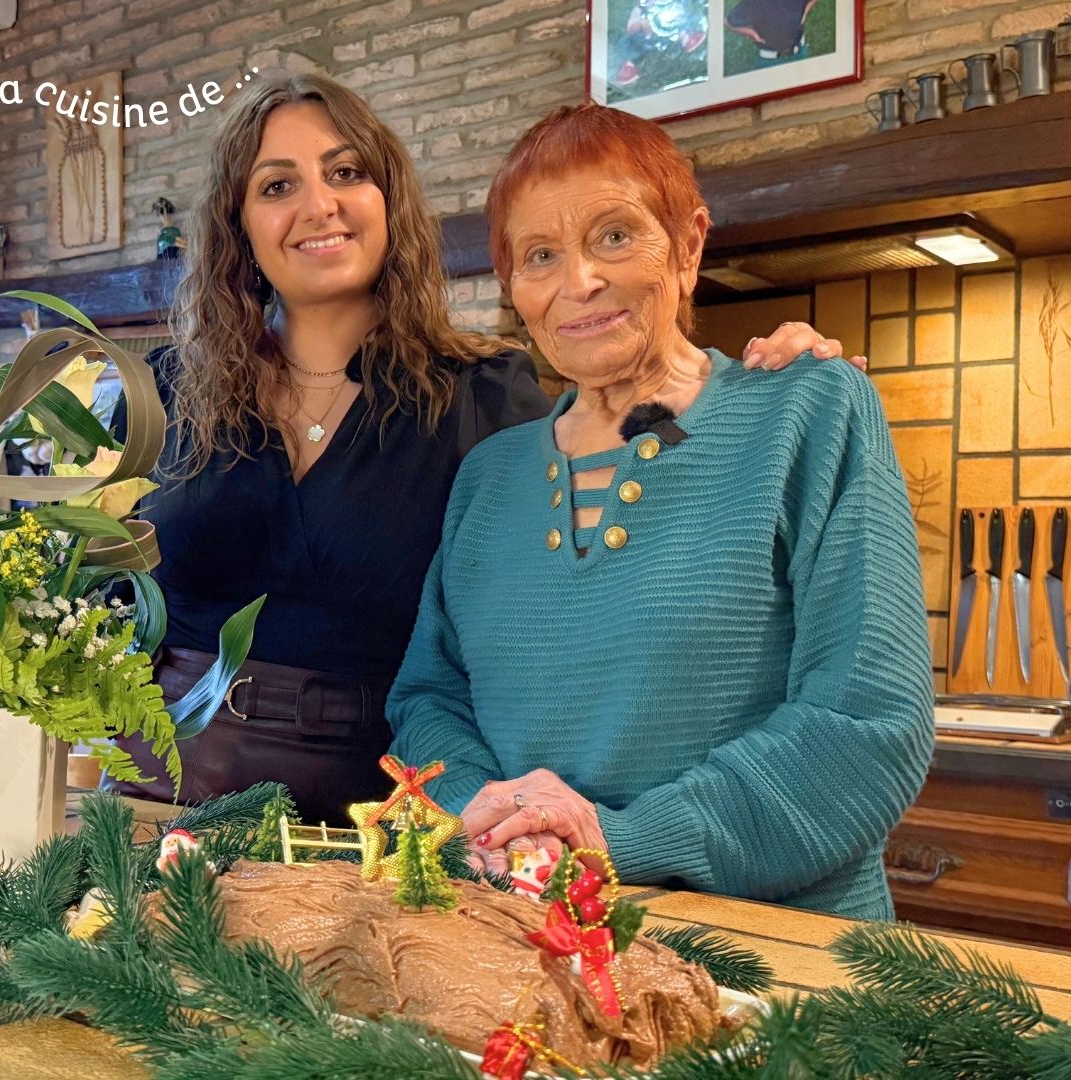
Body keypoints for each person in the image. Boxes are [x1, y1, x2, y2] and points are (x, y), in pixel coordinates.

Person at [111, 73, 860, 821]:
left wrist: (756, 394)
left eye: (346, 172)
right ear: (239, 223)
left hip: (377, 805)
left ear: (389, 201)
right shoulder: (163, 391)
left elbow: (618, 476)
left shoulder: (480, 395)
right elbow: (95, 596)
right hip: (161, 781)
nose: (319, 204)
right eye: (277, 185)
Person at [385, 102, 933, 919]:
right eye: (540, 255)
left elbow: (867, 723)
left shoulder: (810, 411)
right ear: (513, 289)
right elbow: (430, 703)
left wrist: (617, 840)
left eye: (613, 235)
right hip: (521, 932)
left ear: (688, 245)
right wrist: (490, 818)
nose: (579, 282)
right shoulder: (488, 476)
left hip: (774, 960)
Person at [726, 0, 819, 66]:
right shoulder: (755, 2)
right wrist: (751, 33)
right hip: (770, 60)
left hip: (799, 52)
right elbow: (728, 21)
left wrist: (804, 13)